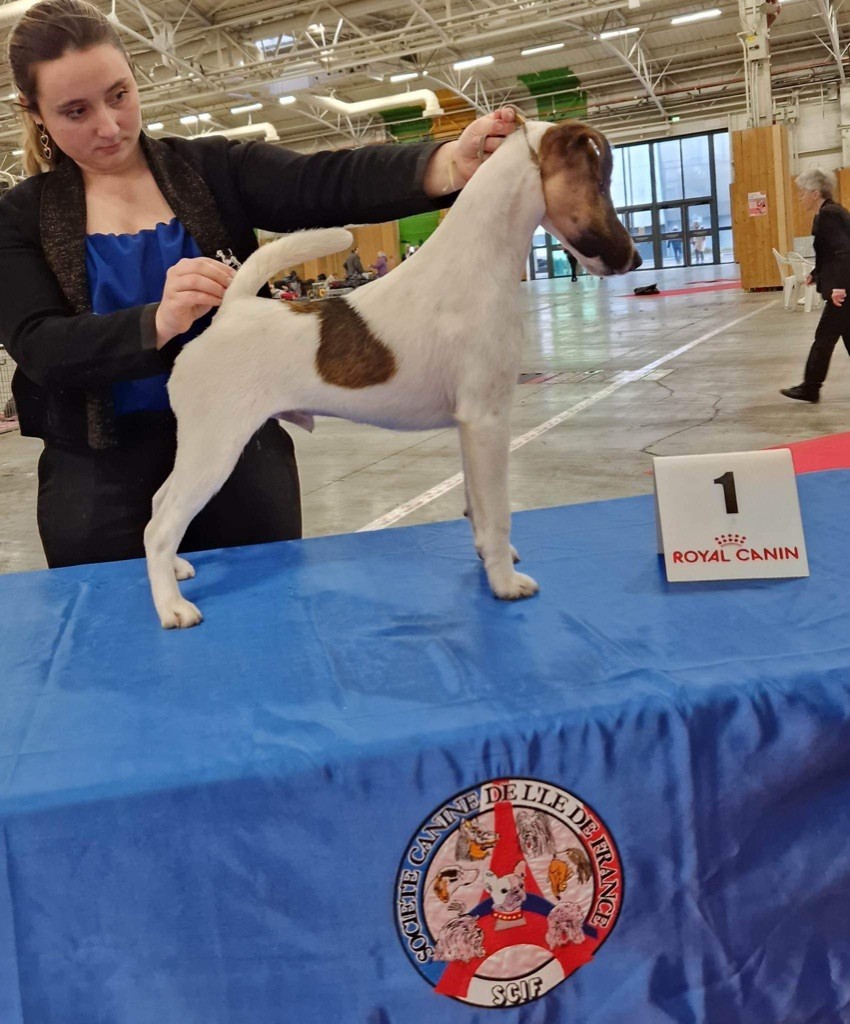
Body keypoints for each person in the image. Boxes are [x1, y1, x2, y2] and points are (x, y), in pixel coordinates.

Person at [0, 0, 518, 568]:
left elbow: (322, 181)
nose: (108, 125)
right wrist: (157, 321)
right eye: (75, 111)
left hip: (245, 456)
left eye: (119, 94)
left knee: (270, 629)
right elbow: (38, 345)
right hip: (96, 485)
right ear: (35, 112)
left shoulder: (213, 169)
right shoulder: (19, 218)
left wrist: (446, 164)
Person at [781, 168, 850, 404]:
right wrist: (815, 272)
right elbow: (832, 253)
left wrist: (839, 287)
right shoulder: (834, 211)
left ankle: (811, 388)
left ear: (815, 193)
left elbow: (843, 252)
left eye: (802, 193)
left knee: (824, 338)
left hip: (843, 292)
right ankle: (811, 387)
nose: (800, 197)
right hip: (844, 288)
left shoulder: (828, 215)